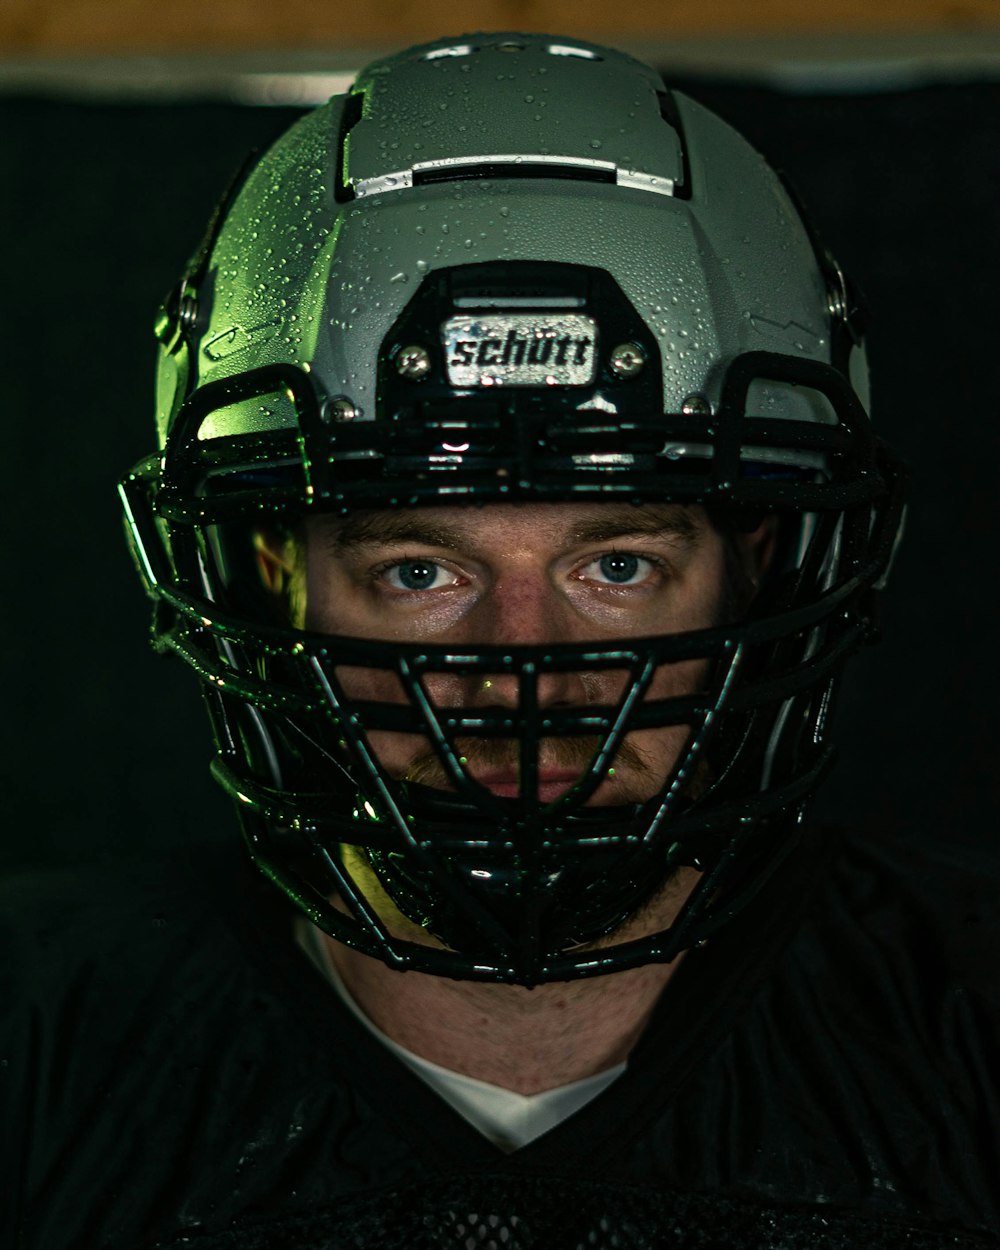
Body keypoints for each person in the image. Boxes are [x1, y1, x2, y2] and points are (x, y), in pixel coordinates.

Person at [3, 31, 997, 1250]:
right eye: (420, 570)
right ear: (272, 582)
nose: (524, 662)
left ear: (756, 571)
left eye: (615, 565)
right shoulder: (40, 1048)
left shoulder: (966, 1033)